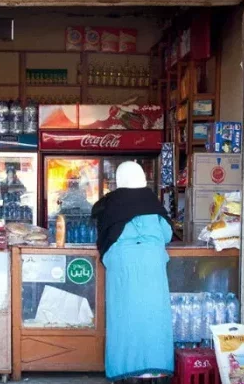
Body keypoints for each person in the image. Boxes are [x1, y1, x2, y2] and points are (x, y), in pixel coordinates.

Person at [90, 161, 174, 383]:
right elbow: (166, 234)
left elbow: (103, 235)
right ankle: (156, 370)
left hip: (122, 265)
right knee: (154, 315)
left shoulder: (110, 203)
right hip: (152, 264)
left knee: (123, 317)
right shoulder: (152, 203)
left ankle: (125, 370)